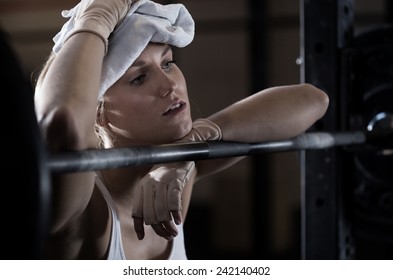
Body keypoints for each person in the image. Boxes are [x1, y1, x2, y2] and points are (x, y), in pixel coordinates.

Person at [34, 0, 329, 260]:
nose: (169, 85)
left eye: (168, 63)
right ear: (99, 116)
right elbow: (63, 122)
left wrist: (194, 142)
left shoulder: (178, 176)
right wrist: (94, 19)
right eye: (139, 78)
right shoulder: (82, 210)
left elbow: (313, 100)